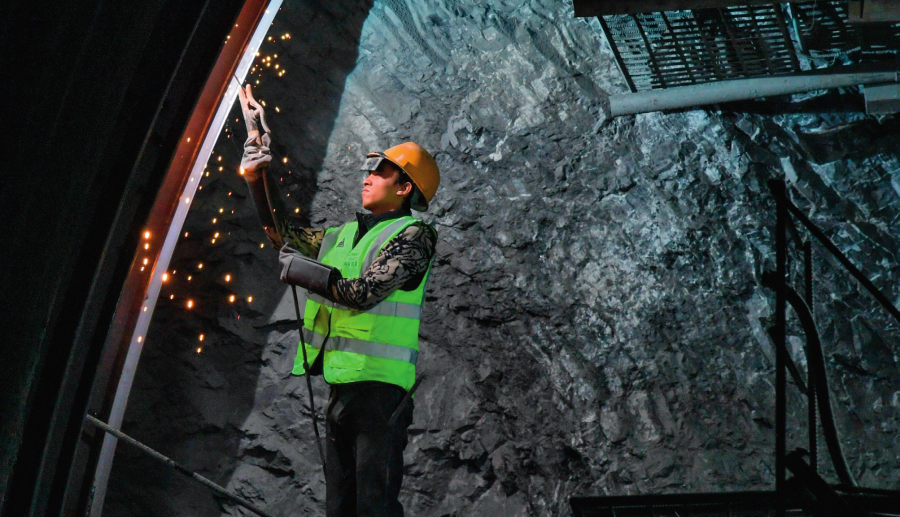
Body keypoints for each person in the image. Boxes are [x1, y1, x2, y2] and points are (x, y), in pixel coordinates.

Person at [236, 84, 439, 517]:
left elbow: (363, 293)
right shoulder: (343, 236)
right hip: (342, 389)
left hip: (381, 394)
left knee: (372, 508)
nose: (367, 177)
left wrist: (304, 272)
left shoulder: (414, 236)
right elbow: (284, 237)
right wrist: (258, 175)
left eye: (380, 172)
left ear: (405, 187)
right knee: (340, 509)